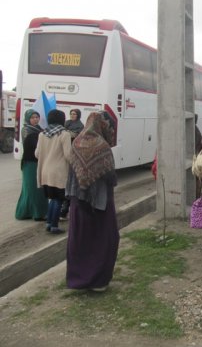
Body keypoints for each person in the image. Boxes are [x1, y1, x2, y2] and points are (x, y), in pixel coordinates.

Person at [66, 111, 119, 292]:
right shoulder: (102, 146)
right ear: (103, 126)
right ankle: (98, 281)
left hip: (78, 202)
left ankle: (78, 280)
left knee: (80, 240)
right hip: (101, 203)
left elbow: (72, 172)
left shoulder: (77, 142)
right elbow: (111, 177)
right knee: (103, 239)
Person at [35, 109, 72, 234]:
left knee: (52, 198)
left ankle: (49, 223)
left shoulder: (42, 134)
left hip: (45, 171)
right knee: (58, 199)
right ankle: (54, 226)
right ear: (62, 119)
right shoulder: (64, 134)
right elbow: (68, 155)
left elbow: (37, 154)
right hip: (58, 172)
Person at [15, 109, 48, 221]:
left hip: (38, 161)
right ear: (28, 118)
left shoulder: (40, 129)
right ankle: (36, 213)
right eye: (33, 117)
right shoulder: (26, 130)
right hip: (30, 162)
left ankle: (35, 212)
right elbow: (34, 144)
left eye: (37, 117)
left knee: (38, 188)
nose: (35, 119)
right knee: (31, 188)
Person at [60, 108, 85, 219]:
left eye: (74, 114)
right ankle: (64, 208)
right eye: (71, 114)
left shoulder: (80, 125)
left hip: (73, 153)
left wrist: (69, 134)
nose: (72, 115)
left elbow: (78, 136)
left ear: (78, 115)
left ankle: (65, 209)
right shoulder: (67, 123)